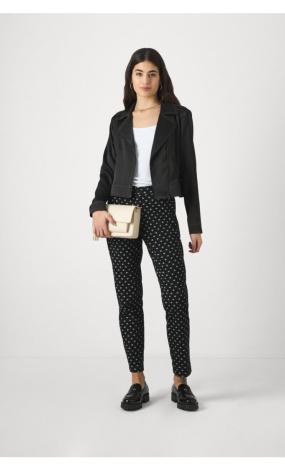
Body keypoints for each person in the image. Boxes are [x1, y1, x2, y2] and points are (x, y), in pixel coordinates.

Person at [89, 48, 203, 412]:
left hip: (161, 206)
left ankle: (180, 382)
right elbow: (108, 170)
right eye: (138, 73)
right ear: (131, 78)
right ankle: (137, 381)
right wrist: (97, 208)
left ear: (160, 77)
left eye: (152, 73)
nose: (145, 80)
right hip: (120, 210)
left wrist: (195, 224)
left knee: (175, 297)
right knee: (128, 299)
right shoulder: (119, 121)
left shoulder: (178, 117)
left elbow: (189, 170)